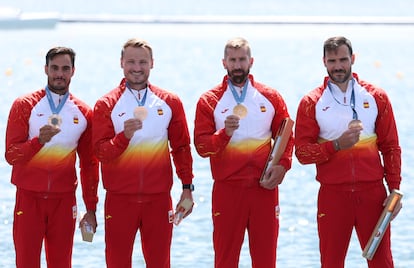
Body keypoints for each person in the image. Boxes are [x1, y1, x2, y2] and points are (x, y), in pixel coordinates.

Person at [294, 36, 402, 268]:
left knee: (382, 263)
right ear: (324, 62)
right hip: (333, 196)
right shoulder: (311, 102)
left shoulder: (376, 97)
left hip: (373, 195)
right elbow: (302, 153)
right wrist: (335, 146)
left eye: (343, 59)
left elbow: (391, 146)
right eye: (332, 61)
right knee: (331, 263)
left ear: (353, 59)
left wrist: (394, 189)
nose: (338, 66)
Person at [92, 38, 195, 268]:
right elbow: (100, 153)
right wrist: (123, 138)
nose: (136, 68)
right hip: (120, 200)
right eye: (131, 62)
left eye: (142, 62)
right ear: (121, 63)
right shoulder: (106, 104)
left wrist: (187, 189)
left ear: (152, 64)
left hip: (158, 200)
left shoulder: (170, 102)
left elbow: (181, 148)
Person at [194, 37, 294, 268]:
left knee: (266, 260)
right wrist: (224, 134)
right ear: (224, 63)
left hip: (264, 188)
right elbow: (201, 146)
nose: (237, 65)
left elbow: (287, 135)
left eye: (242, 59)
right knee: (225, 260)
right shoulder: (209, 101)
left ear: (251, 61)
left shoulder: (271, 96)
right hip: (228, 190)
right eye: (233, 60)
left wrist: (284, 165)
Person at [4, 46, 99, 268]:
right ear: (46, 69)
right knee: (26, 263)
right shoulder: (24, 105)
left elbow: (89, 165)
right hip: (29, 199)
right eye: (54, 68)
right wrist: (38, 142)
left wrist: (91, 208)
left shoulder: (84, 113)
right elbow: (11, 155)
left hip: (64, 202)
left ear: (73, 71)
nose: (59, 74)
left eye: (65, 68)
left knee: (61, 264)